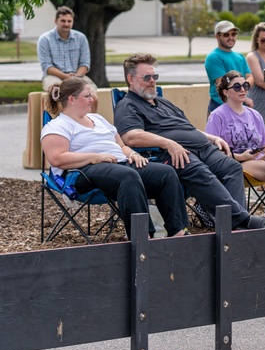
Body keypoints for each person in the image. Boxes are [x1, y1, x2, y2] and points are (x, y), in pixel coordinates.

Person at [114, 53, 265, 230]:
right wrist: (168, 143)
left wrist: (212, 138)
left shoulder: (163, 102)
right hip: (173, 154)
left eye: (155, 76)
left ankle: (233, 224)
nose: (152, 81)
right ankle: (242, 221)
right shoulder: (128, 105)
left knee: (232, 168)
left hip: (203, 148)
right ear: (130, 79)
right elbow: (131, 136)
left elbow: (186, 128)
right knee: (201, 172)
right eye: (147, 77)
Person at [41, 77, 189, 239]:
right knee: (127, 176)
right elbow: (57, 159)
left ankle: (177, 233)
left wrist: (133, 154)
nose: (92, 99)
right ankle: (142, 236)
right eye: (87, 96)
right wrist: (94, 157)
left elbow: (121, 145)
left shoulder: (98, 119)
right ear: (72, 99)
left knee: (165, 173)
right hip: (83, 172)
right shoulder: (58, 126)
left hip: (119, 163)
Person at [206, 72, 265, 225]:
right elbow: (213, 152)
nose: (243, 90)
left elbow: (264, 148)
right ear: (225, 92)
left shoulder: (254, 114)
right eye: (237, 87)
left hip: (257, 160)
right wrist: (240, 157)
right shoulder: (218, 116)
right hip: (234, 164)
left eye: (245, 86)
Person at [37, 6, 93, 93]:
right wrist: (66, 77)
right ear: (56, 21)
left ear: (73, 22)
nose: (66, 24)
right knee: (59, 92)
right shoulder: (45, 39)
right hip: (53, 77)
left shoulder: (81, 38)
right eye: (63, 21)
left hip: (77, 76)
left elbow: (85, 64)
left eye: (69, 21)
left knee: (92, 93)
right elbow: (47, 67)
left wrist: (75, 78)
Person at [205, 20, 252, 114]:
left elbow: (250, 77)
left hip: (240, 105)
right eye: (226, 35)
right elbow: (223, 82)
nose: (231, 37)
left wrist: (241, 89)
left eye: (233, 34)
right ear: (217, 36)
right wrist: (244, 97)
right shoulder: (214, 57)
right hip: (221, 106)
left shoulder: (240, 57)